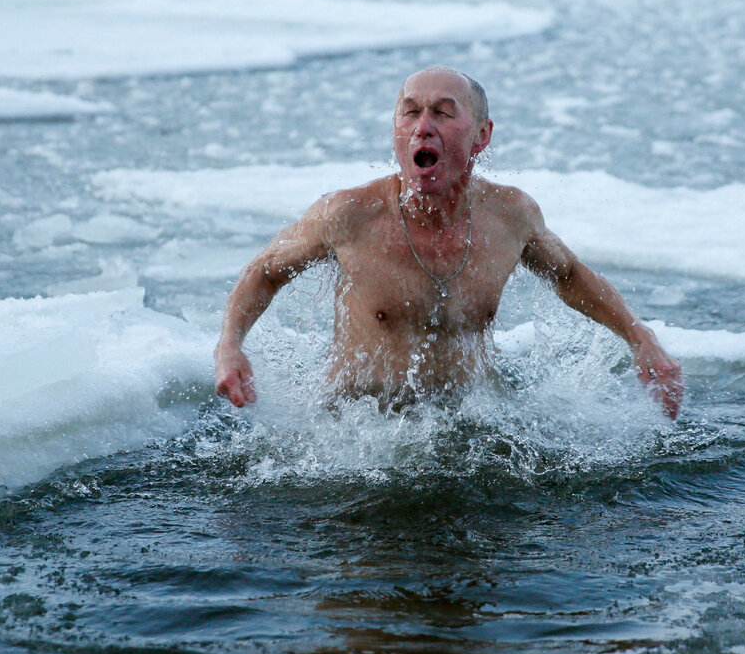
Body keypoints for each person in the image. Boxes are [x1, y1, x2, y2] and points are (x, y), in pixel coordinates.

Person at [214, 67, 683, 419]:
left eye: (442, 112)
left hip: (464, 429)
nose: (423, 125)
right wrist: (230, 346)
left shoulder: (511, 216)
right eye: (410, 111)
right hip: (354, 435)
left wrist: (640, 337)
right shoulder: (349, 215)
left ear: (481, 136)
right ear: (397, 132)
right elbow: (265, 271)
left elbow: (571, 277)